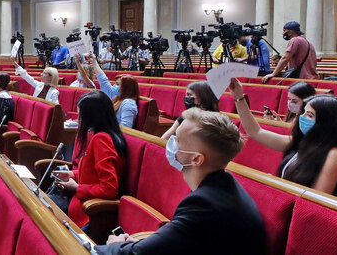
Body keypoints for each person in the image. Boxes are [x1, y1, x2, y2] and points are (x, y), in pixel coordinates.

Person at [96, 108, 265, 255]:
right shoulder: (221, 186)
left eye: (177, 139)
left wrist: (115, 244)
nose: (171, 143)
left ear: (196, 159)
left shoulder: (204, 204)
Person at [230, 78, 337, 195]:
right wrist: (238, 96)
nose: (301, 118)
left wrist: (276, 186)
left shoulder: (334, 154)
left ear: (327, 122)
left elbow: (317, 200)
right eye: (303, 113)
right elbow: (254, 131)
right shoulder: (301, 142)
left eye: (309, 115)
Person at [52, 91, 127, 232]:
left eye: (81, 116)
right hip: (81, 201)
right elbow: (93, 171)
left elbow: (109, 188)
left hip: (88, 210)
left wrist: (76, 187)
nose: (78, 119)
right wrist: (72, 174)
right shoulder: (105, 135)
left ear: (92, 117)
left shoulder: (101, 140)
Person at [90, 54, 139, 128]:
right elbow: (103, 80)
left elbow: (126, 128)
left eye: (117, 84)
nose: (114, 86)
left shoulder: (128, 104)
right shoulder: (117, 97)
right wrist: (94, 62)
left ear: (126, 88)